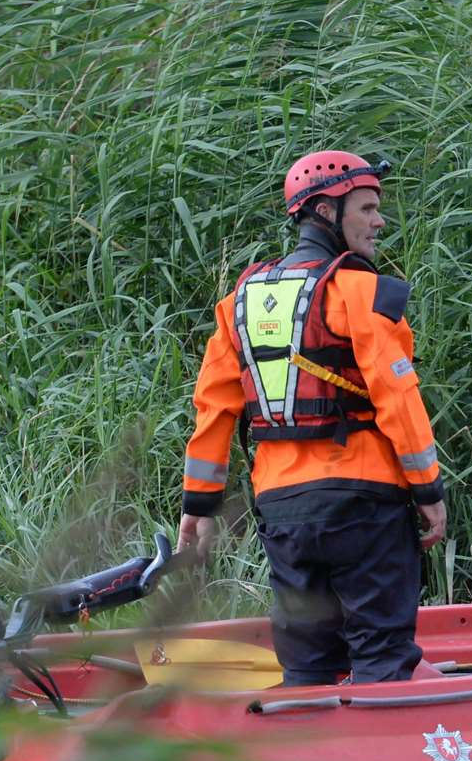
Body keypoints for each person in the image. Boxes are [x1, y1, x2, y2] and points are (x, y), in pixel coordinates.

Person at [177, 150, 446, 684]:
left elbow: (214, 410)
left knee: (308, 666)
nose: (379, 221)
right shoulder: (361, 289)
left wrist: (199, 506)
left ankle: (309, 760)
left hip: (284, 514)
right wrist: (429, 492)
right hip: (364, 503)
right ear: (326, 211)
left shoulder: (239, 302)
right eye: (366, 209)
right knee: (382, 661)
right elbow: (398, 397)